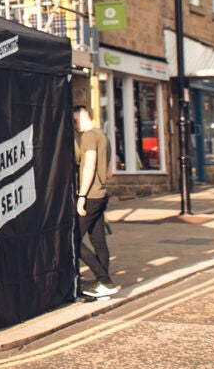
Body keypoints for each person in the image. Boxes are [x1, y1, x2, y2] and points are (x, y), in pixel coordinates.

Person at [74, 104, 117, 298]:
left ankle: (105, 280)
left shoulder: (89, 136)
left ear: (84, 116)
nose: (74, 125)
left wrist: (82, 196)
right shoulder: (103, 136)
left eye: (75, 121)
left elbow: (89, 166)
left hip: (90, 196)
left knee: (74, 239)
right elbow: (109, 173)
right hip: (101, 194)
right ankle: (103, 284)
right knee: (98, 241)